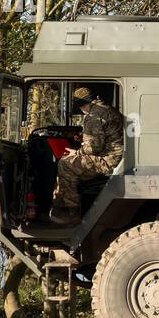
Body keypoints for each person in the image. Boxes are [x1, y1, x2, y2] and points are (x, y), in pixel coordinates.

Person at [49, 87, 124, 225]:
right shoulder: (107, 108)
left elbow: (94, 147)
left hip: (108, 160)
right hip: (116, 156)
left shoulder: (94, 116)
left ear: (82, 105)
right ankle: (58, 207)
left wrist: (76, 152)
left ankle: (72, 212)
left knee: (65, 164)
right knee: (71, 165)